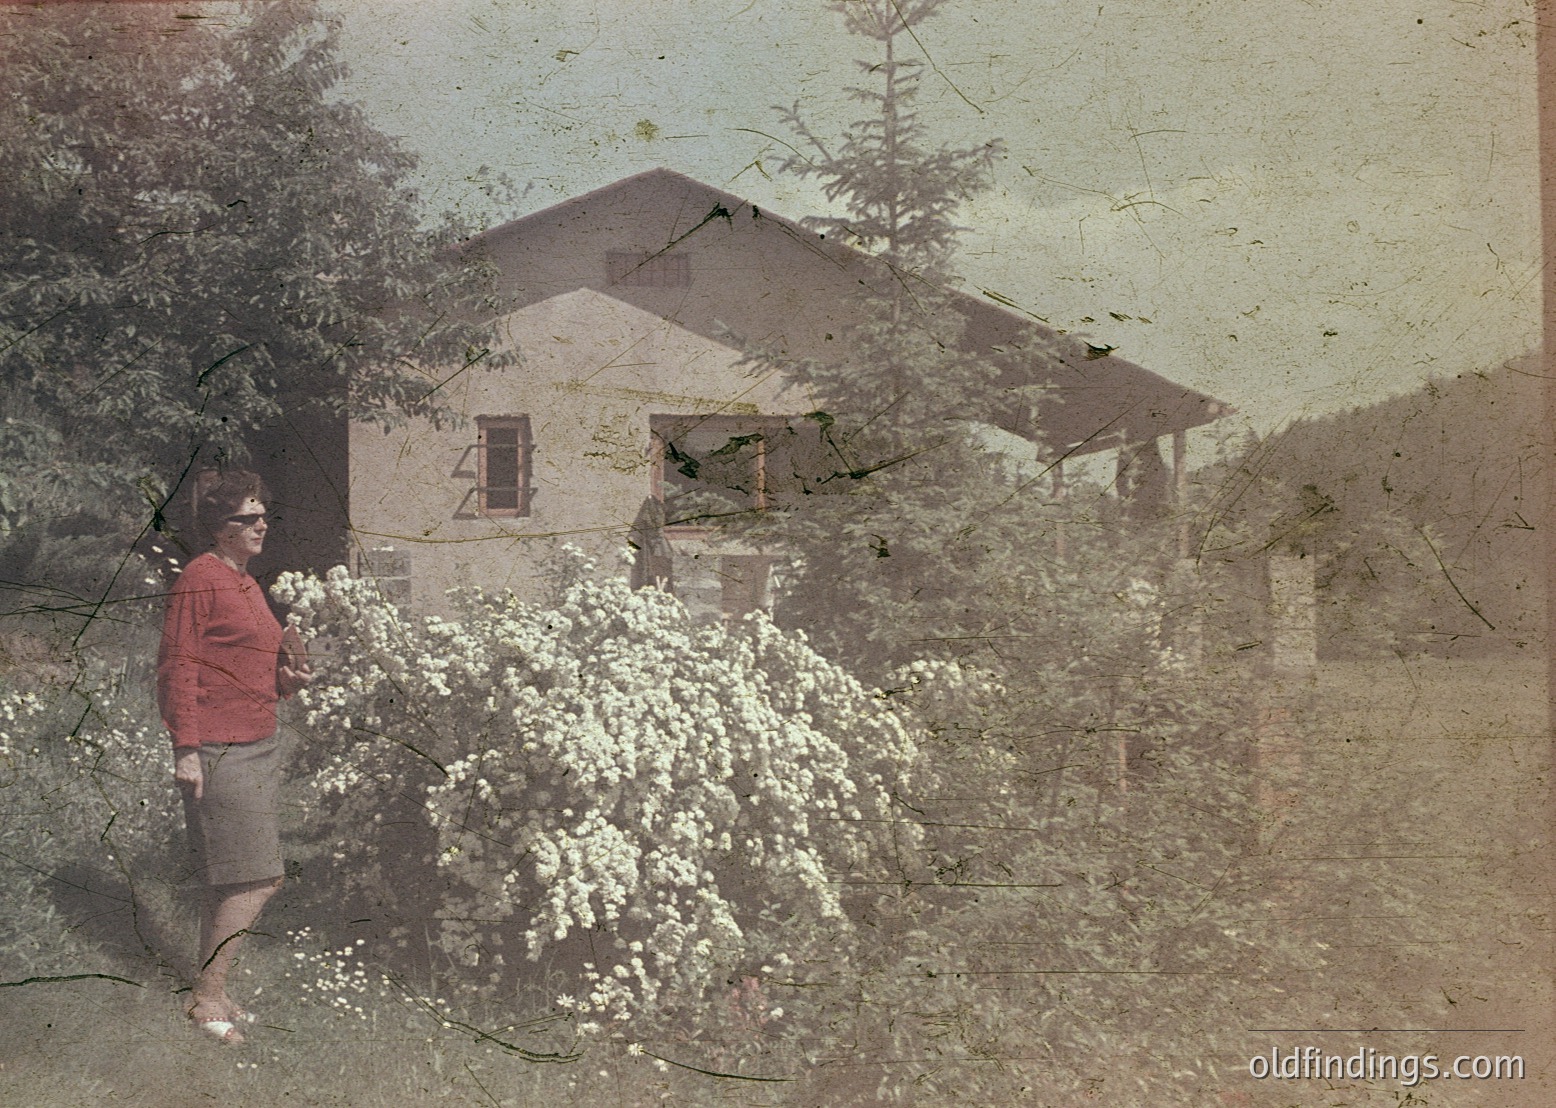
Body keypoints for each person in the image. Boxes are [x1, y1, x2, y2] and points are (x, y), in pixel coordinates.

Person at [157, 469, 312, 1044]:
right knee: (259, 878)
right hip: (220, 749)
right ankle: (207, 997)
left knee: (229, 879)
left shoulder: (245, 582)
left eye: (262, 513)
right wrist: (187, 749)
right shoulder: (200, 578)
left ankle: (213, 988)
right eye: (245, 517)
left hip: (257, 740)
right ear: (218, 527)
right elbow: (179, 666)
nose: (259, 524)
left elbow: (246, 669)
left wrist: (286, 681)